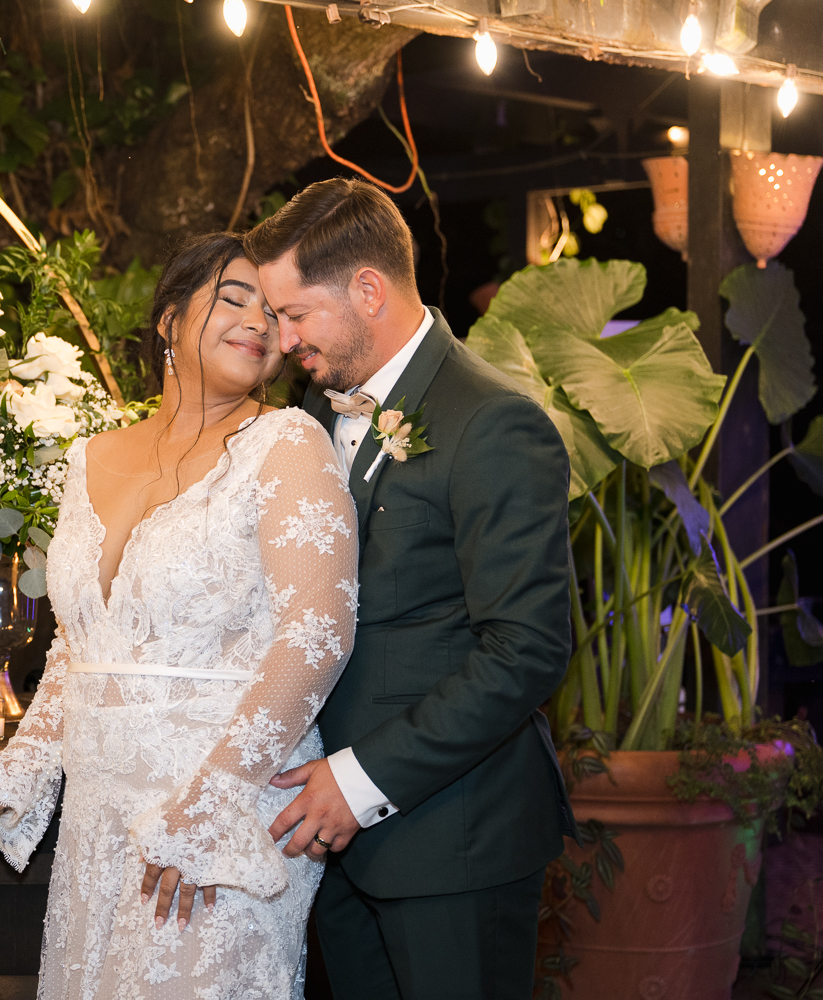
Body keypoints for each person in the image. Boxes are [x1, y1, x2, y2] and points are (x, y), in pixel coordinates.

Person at [0, 231, 360, 999]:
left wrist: (206, 813)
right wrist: (22, 767)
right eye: (232, 297)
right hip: (100, 820)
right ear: (170, 319)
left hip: (225, 815)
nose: (259, 323)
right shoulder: (89, 459)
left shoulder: (287, 442)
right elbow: (81, 649)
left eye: (273, 312)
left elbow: (317, 635)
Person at [245, 177, 578, 999]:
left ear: (368, 289)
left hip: (453, 840)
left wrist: (359, 781)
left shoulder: (493, 420)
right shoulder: (312, 417)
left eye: (294, 314)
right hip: (328, 842)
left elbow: (526, 648)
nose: (282, 340)